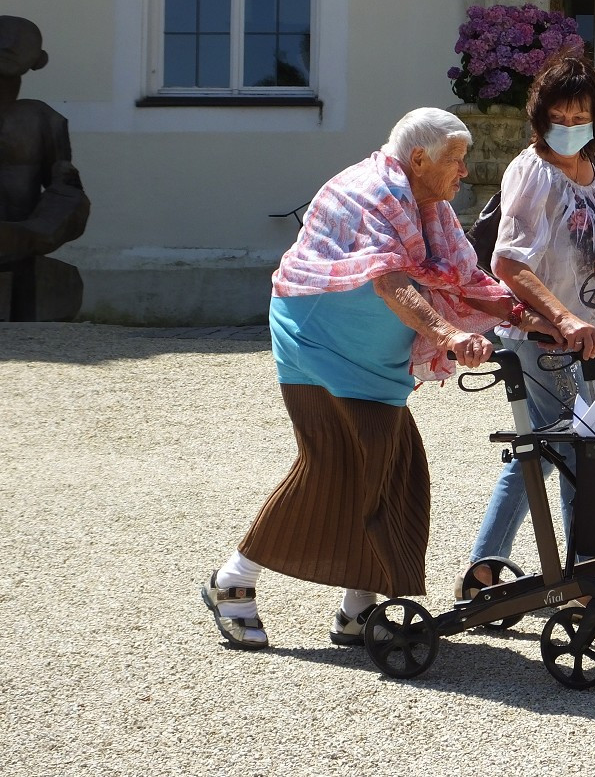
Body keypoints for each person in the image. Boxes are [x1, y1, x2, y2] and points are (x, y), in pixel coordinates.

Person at [201, 107, 558, 650]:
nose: (465, 172)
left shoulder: (429, 208)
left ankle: (357, 608)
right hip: (318, 345)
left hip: (372, 360)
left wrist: (537, 320)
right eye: (456, 161)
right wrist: (447, 337)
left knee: (395, 467)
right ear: (419, 158)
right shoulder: (365, 192)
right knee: (335, 468)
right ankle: (233, 581)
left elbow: (466, 280)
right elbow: (390, 281)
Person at [457, 53, 595, 597]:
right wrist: (565, 317)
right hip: (540, 334)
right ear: (541, 116)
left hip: (581, 335)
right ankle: (583, 570)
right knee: (571, 447)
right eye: (561, 117)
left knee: (544, 448)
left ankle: (484, 569)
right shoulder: (532, 170)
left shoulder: (594, 170)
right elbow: (508, 262)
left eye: (581, 117)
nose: (570, 128)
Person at [0, 15, 90, 263]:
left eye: (19, 41)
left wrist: (37, 231)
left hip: (24, 241)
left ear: (38, 61)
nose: (7, 46)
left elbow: (64, 189)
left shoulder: (42, 118)